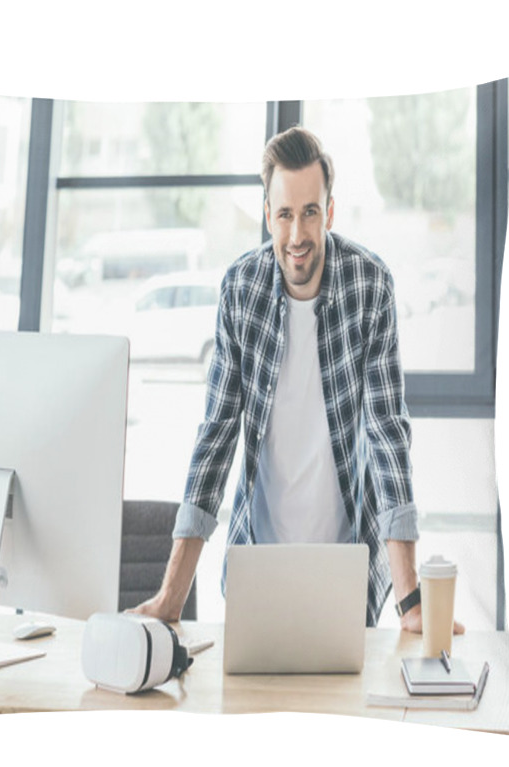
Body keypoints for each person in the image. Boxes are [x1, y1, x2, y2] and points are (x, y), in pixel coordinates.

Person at [131, 126, 462, 634]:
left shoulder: (369, 286)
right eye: (285, 214)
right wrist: (170, 598)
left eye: (310, 212)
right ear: (267, 215)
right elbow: (215, 438)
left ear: (329, 211)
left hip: (347, 566)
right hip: (258, 563)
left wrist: (410, 600)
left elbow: (386, 436)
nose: (297, 235)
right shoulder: (241, 291)